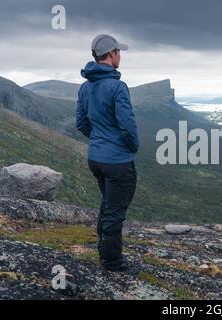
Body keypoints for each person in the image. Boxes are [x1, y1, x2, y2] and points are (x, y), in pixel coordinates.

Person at [76, 34, 140, 273]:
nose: (120, 56)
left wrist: (100, 140)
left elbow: (81, 122)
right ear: (111, 54)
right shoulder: (117, 86)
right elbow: (128, 126)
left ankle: (104, 252)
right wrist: (131, 147)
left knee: (108, 205)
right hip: (118, 161)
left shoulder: (85, 87)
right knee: (114, 212)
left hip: (96, 158)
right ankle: (112, 263)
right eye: (119, 52)